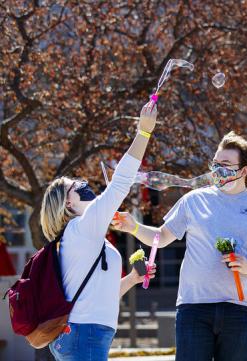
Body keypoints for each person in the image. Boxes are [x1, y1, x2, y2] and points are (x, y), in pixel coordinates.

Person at [112, 131, 247, 361]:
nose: (216, 170)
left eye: (225, 165)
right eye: (215, 164)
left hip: (239, 309)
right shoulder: (194, 200)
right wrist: (132, 227)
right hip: (193, 308)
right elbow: (162, 238)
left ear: (243, 171)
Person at [40, 101, 158, 361]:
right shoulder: (83, 227)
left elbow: (97, 296)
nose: (84, 184)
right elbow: (120, 184)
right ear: (68, 203)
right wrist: (144, 132)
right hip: (86, 333)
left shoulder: (81, 235)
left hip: (82, 332)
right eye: (76, 185)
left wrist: (131, 279)